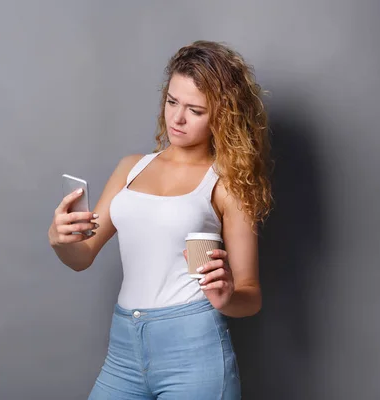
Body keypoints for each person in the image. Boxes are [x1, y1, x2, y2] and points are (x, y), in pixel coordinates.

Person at [48, 40, 273, 399]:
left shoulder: (228, 183)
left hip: (194, 351)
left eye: (195, 110)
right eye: (172, 102)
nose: (177, 119)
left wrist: (226, 297)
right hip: (123, 349)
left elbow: (251, 295)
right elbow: (82, 256)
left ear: (223, 114)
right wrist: (60, 240)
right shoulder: (130, 168)